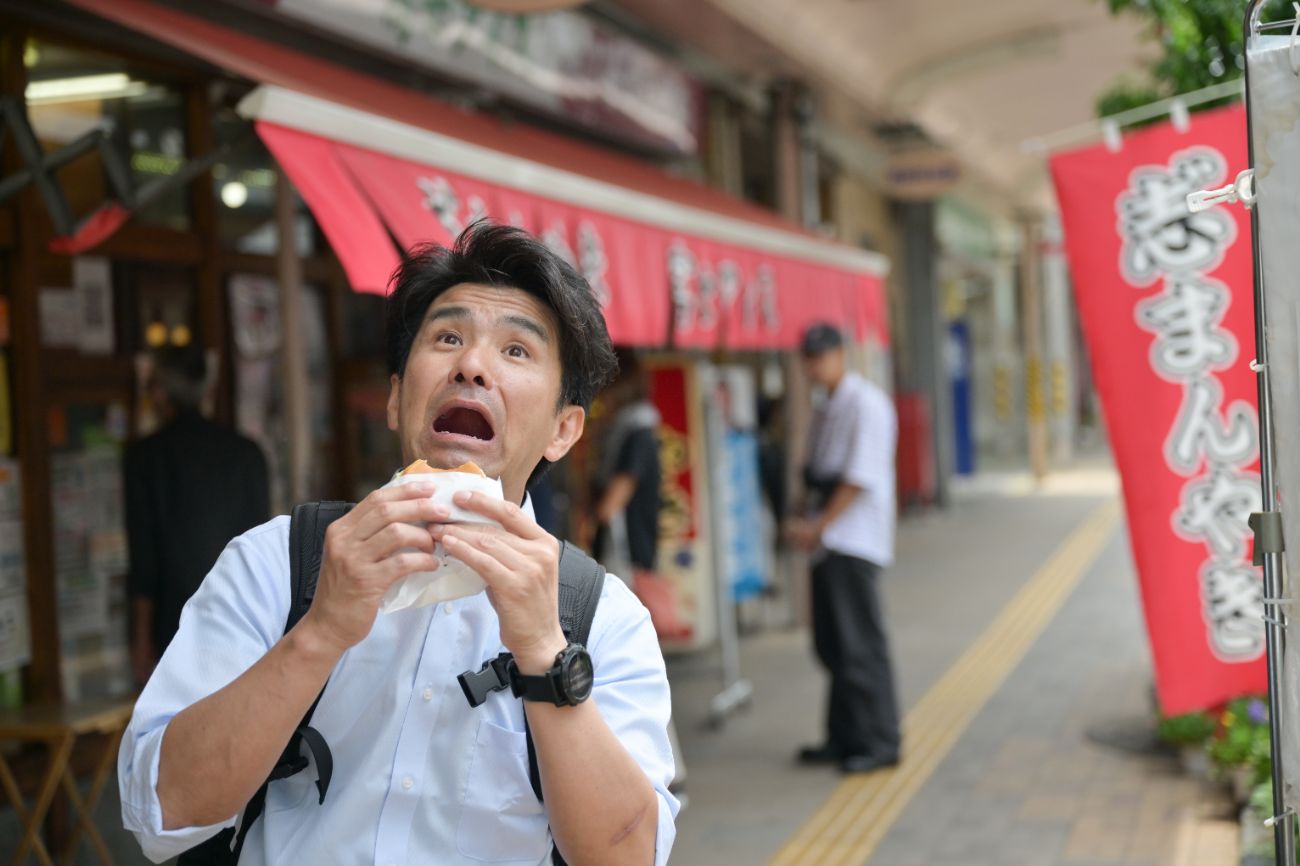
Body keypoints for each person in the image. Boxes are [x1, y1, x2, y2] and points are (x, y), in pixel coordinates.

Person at [118, 222, 679, 866]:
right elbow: (162, 813)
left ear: (563, 429)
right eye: (447, 337)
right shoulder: (275, 561)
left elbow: (630, 857)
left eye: (517, 351)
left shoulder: (604, 619)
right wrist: (320, 630)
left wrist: (544, 653)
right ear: (395, 398)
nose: (471, 365)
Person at [786, 322, 901, 774]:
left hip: (853, 539)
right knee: (833, 644)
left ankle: (881, 739)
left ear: (841, 354)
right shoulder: (825, 406)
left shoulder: (867, 403)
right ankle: (844, 736)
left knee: (860, 644)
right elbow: (815, 471)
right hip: (828, 537)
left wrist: (818, 526)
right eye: (810, 358)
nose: (816, 366)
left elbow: (858, 477)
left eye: (822, 356)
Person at [124, 343, 270, 688]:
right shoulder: (247, 454)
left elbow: (143, 558)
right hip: (242, 617)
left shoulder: (144, 458)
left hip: (172, 624)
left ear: (159, 393)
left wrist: (141, 641)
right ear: (208, 388)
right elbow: (263, 547)